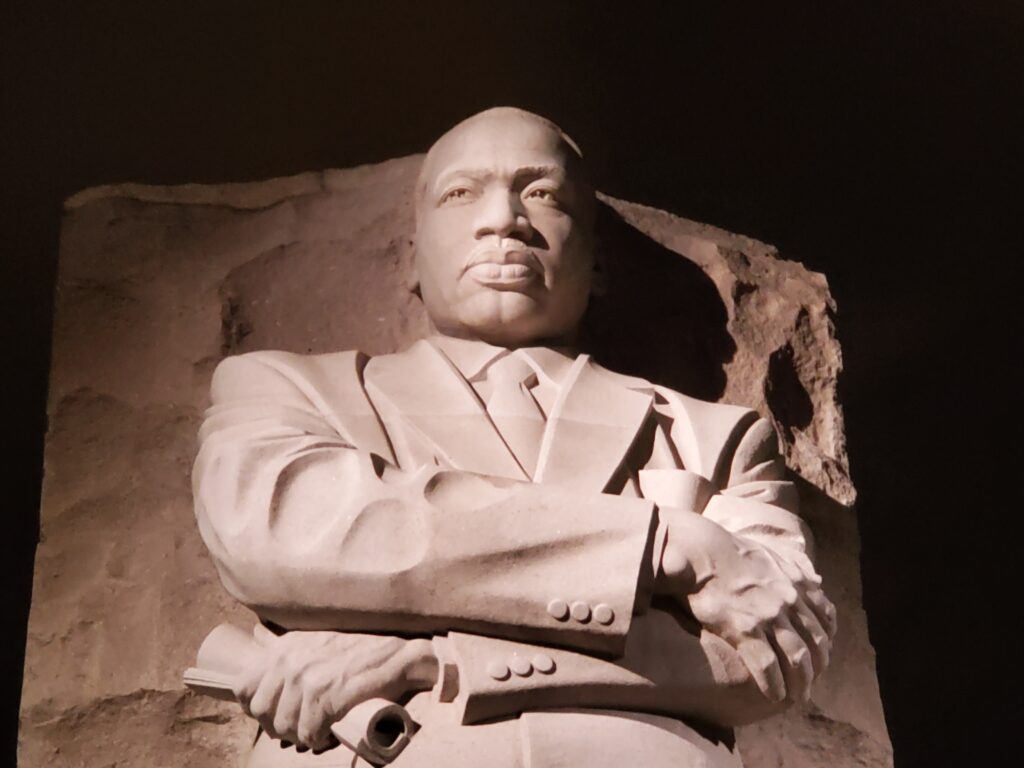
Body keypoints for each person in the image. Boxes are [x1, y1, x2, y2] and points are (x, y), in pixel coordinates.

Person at [192, 107, 836, 768]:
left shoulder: (718, 438)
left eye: (542, 194)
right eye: (461, 193)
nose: (504, 220)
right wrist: (663, 542)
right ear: (414, 256)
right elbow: (287, 532)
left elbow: (771, 658)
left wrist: (434, 660)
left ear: (598, 262)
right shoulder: (293, 392)